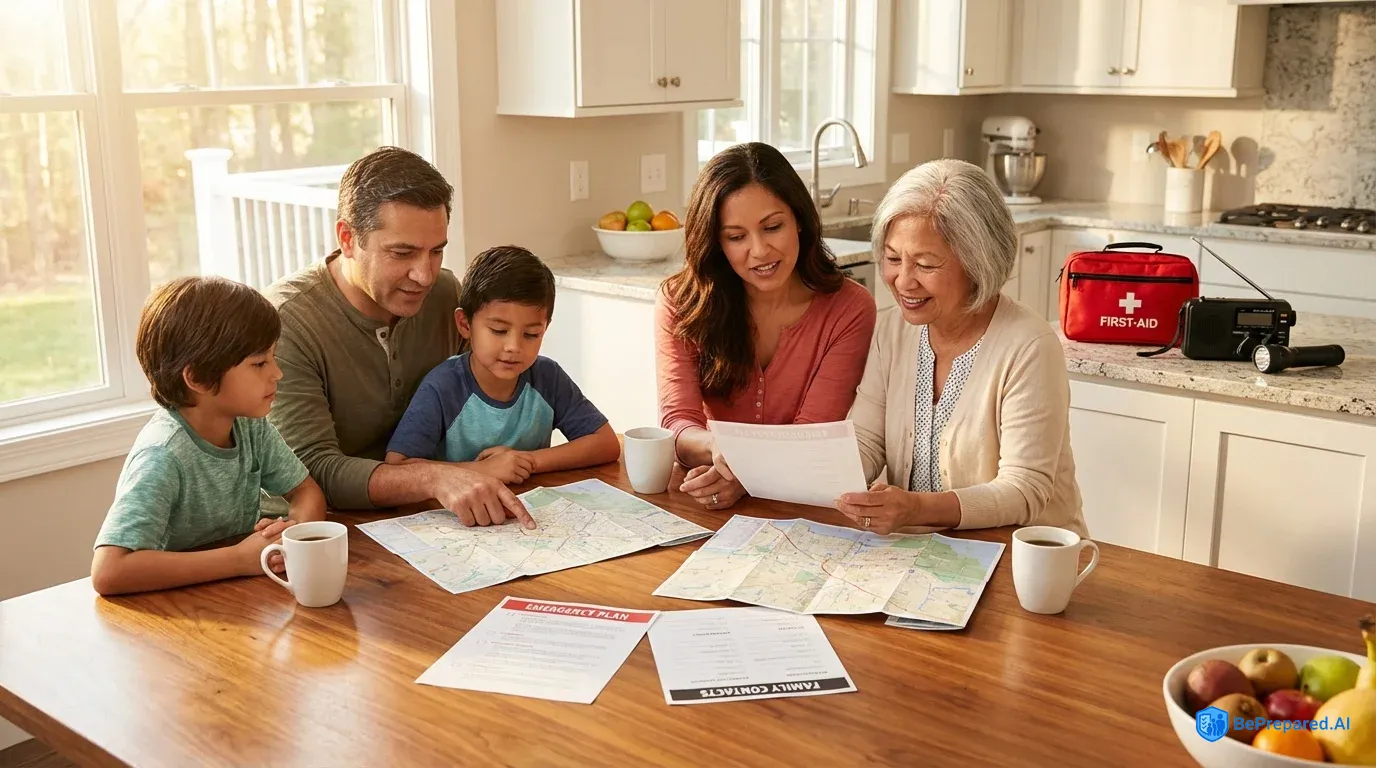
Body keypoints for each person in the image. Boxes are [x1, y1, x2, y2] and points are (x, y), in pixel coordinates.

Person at [264, 146, 534, 529]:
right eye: (402, 253)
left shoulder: (444, 295)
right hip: (319, 534)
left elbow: (484, 397)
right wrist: (435, 476)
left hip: (426, 518)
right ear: (347, 238)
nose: (424, 275)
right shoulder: (286, 322)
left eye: (436, 251)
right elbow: (311, 472)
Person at [835, 158, 1088, 538]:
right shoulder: (891, 330)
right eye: (892, 259)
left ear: (977, 263)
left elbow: (1024, 490)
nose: (903, 281)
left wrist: (915, 508)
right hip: (927, 554)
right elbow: (866, 442)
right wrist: (799, 475)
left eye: (925, 264)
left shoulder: (1029, 346)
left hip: (1023, 560)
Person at [655, 142, 877, 511]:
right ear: (716, 242)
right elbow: (677, 420)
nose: (759, 251)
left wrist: (744, 477)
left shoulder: (849, 309)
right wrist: (716, 448)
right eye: (736, 236)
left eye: (772, 227)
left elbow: (812, 433)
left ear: (799, 220)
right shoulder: (681, 302)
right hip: (704, 492)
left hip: (798, 504)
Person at [91, 277, 328, 596]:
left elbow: (305, 491)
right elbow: (109, 572)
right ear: (199, 378)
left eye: (272, 357)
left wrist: (292, 535)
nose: (277, 373)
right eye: (259, 363)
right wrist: (239, 560)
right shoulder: (163, 455)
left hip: (233, 596)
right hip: (171, 612)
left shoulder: (249, 427)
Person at [385, 245, 620, 476]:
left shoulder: (548, 377)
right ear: (465, 324)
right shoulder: (443, 386)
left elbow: (606, 443)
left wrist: (528, 461)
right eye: (498, 330)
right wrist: (482, 470)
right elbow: (398, 466)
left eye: (531, 334)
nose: (514, 347)